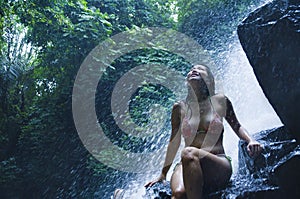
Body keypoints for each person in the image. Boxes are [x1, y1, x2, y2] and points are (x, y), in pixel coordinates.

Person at [144, 65, 263, 199]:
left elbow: (238, 126)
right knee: (178, 194)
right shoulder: (179, 108)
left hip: (217, 162)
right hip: (187, 163)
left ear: (210, 80)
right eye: (191, 69)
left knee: (189, 152)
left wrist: (251, 140)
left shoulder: (220, 101)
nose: (194, 70)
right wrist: (163, 174)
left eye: (201, 69)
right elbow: (174, 142)